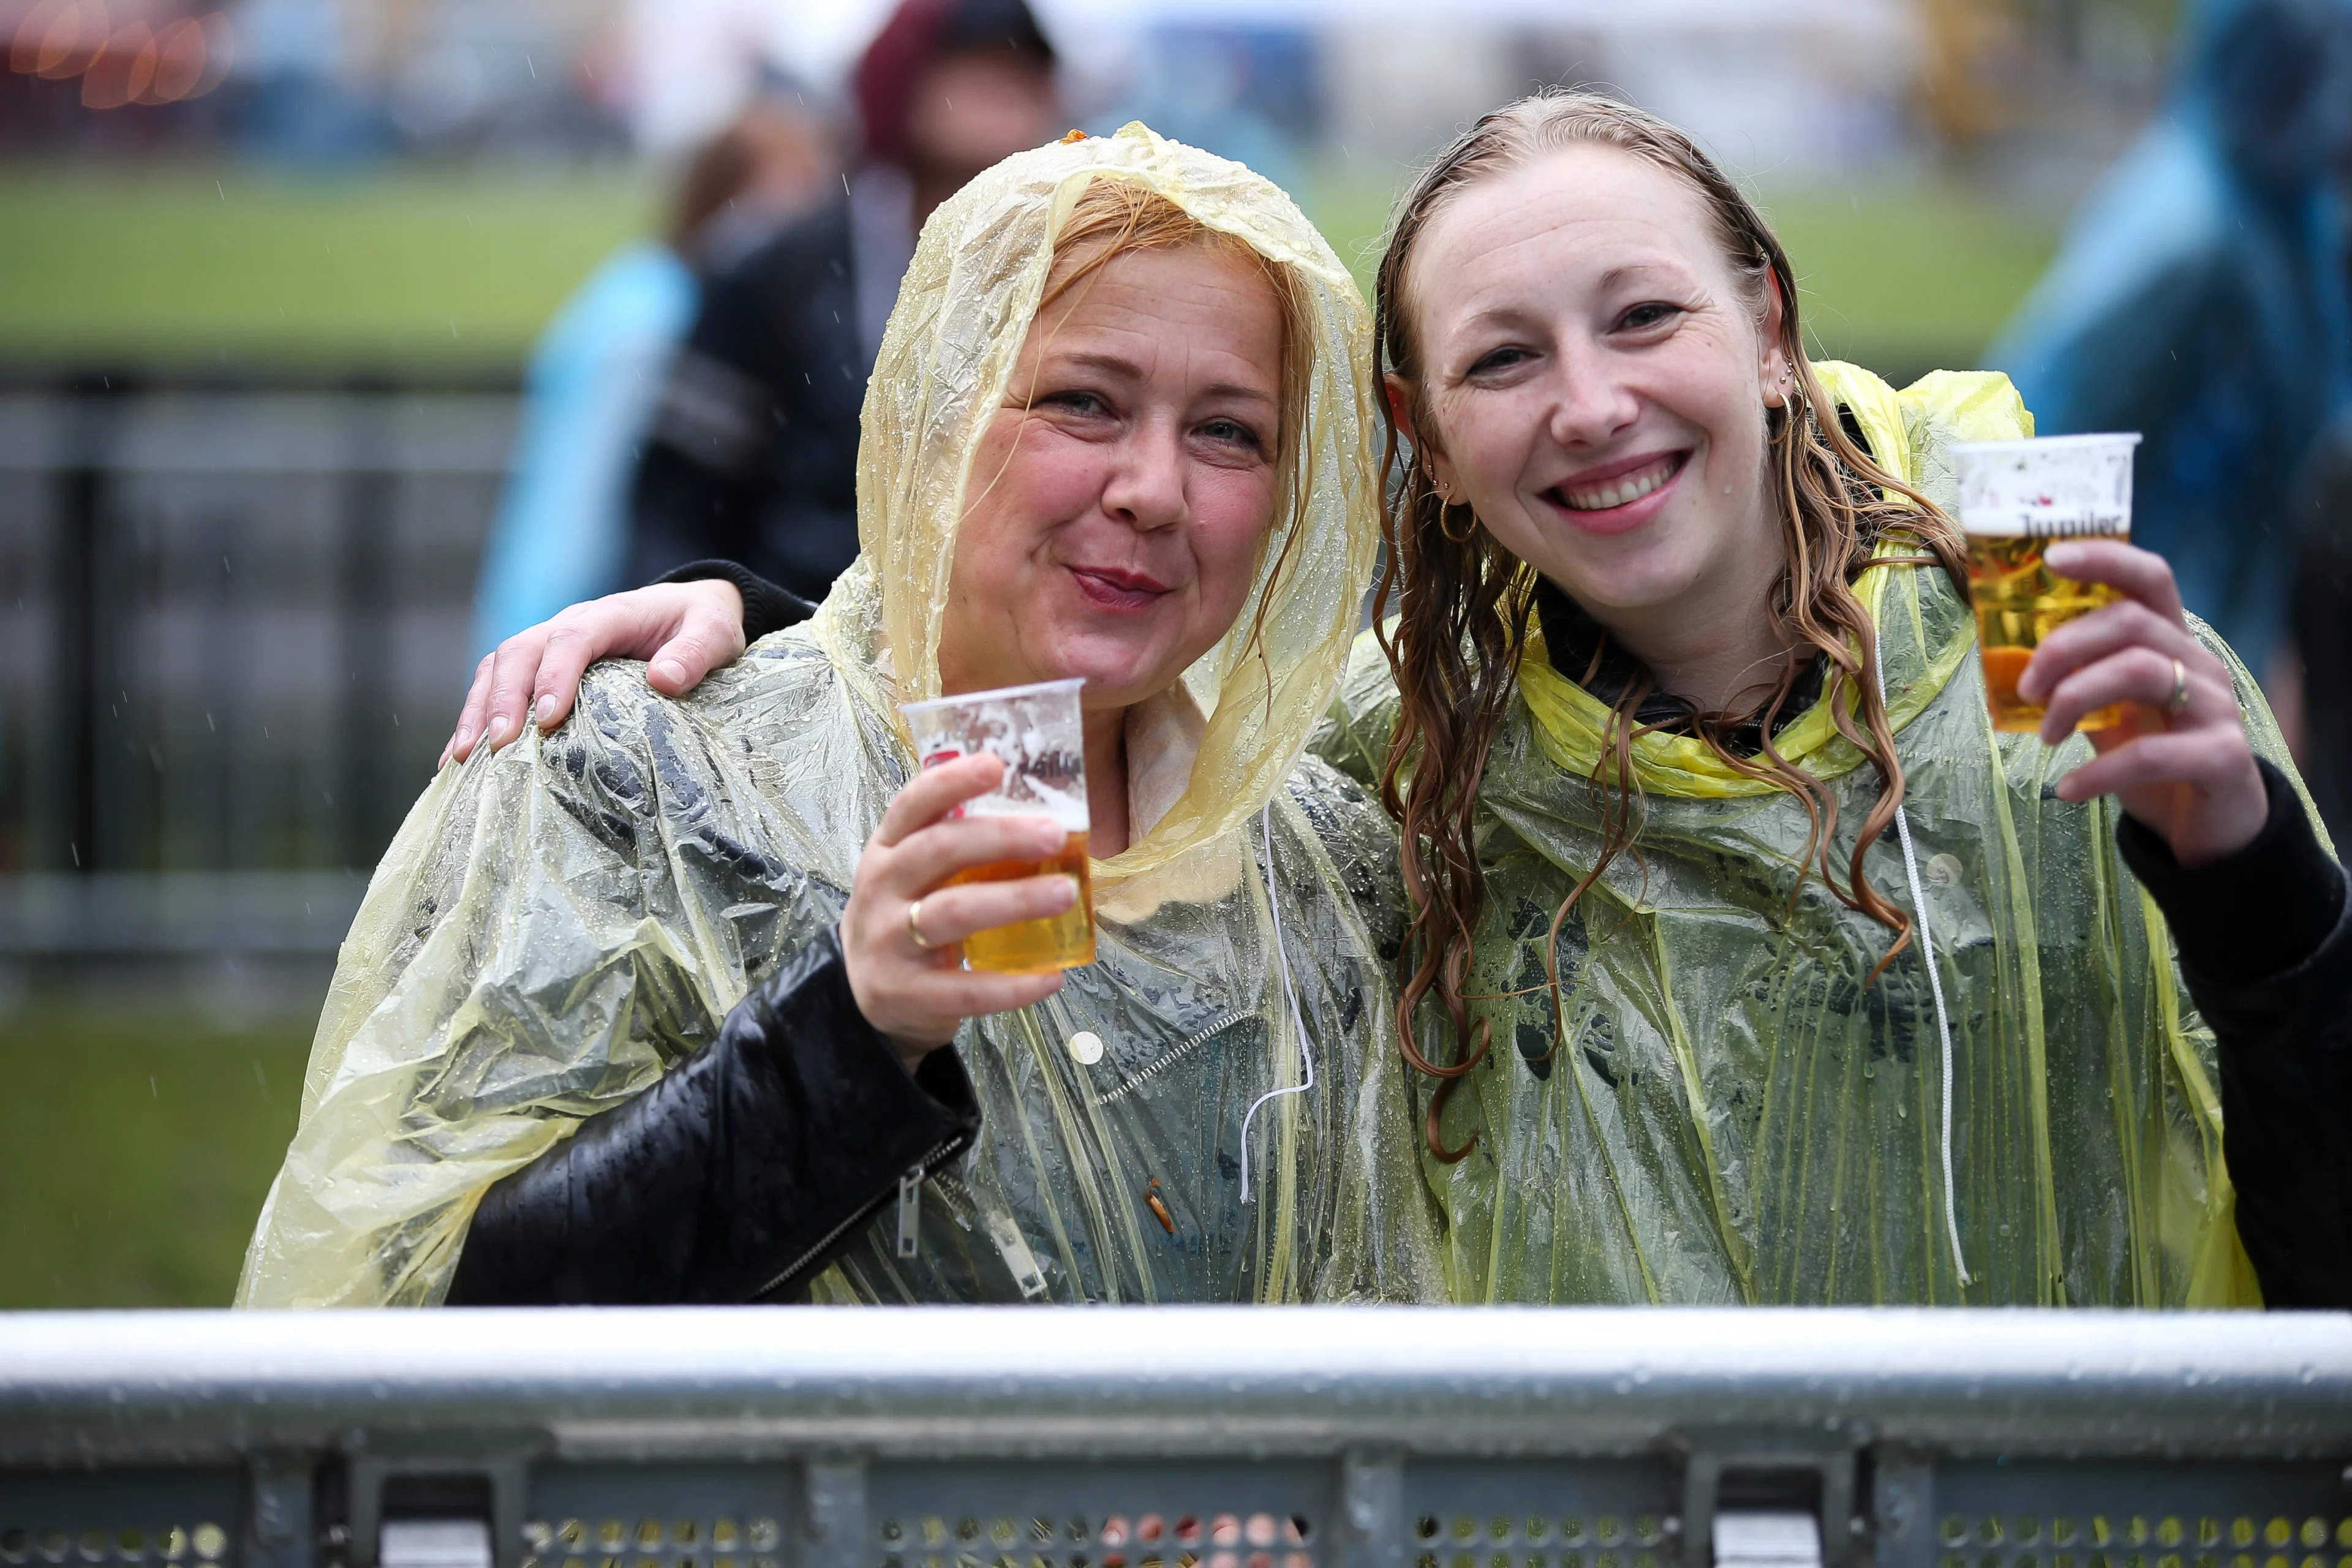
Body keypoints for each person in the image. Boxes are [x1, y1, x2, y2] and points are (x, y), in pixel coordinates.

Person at [468, 95, 2352, 1311]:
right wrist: (769, 637)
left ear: (1767, 330)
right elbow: (1098, 654)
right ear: (1427, 450)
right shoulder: (1396, 758)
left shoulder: (2080, 660)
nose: (1592, 406)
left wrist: (2262, 895)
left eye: (1643, 318)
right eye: (1503, 359)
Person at [237, 126, 1443, 1309]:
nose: (1153, 489)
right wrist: (848, 1035)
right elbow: (443, 1312)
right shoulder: (642, 778)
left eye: (1229, 431)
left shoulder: (1332, 857)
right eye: (1084, 402)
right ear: (938, 416)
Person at [625, 0, 1063, 604]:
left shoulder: (1073, 271)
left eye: (1027, 72)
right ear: (901, 85)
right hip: (792, 640)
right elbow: (679, 504)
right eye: (975, 66)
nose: (1007, 92)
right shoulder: (781, 270)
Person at [1988, 0, 2352, 679]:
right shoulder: (2184, 227)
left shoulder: (2288, 212)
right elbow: (2026, 446)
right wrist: (2031, 718)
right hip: (2141, 693)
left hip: (2214, 673)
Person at [470, 96, 831, 656]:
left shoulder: (674, 299)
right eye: (785, 193)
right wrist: (547, 632)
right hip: (577, 628)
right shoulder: (655, 316)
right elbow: (580, 499)